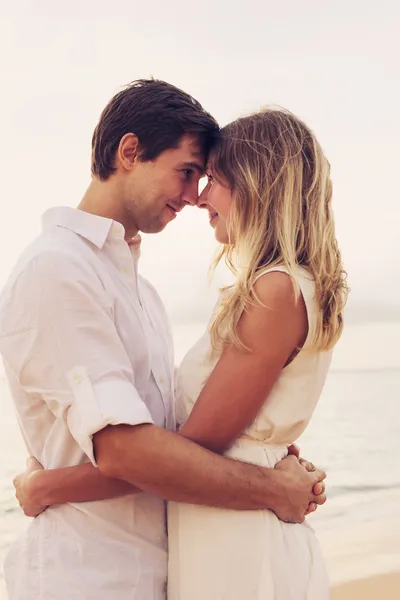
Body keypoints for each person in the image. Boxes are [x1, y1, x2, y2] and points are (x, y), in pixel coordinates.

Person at [0, 80, 326, 600]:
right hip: (89, 576)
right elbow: (127, 450)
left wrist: (265, 448)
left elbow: (179, 438)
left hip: (162, 572)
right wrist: (271, 487)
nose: (195, 196)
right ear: (130, 152)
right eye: (188, 171)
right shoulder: (57, 269)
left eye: (205, 177)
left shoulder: (142, 293)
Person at [167, 108, 348, 599]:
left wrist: (57, 487)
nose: (201, 196)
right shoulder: (288, 288)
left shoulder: (277, 290)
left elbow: (194, 449)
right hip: (231, 533)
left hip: (240, 546)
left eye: (216, 180)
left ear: (256, 185)